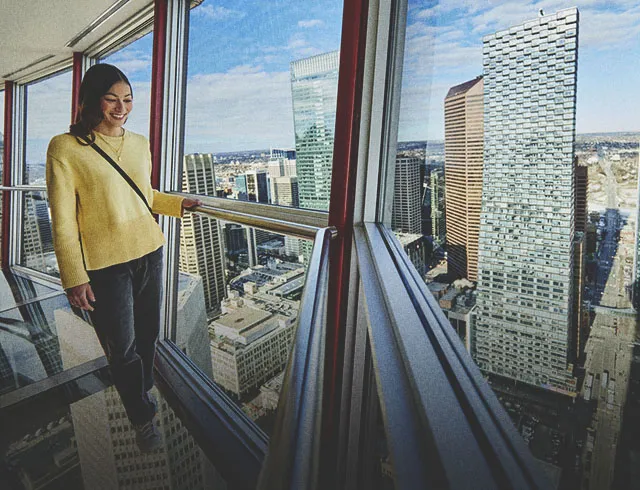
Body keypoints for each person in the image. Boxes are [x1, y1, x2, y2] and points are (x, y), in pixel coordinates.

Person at [46, 63, 200, 452]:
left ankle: (140, 390)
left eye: (128, 99)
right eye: (112, 98)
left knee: (148, 336)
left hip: (150, 249)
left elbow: (143, 194)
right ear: (92, 100)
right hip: (105, 264)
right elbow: (63, 220)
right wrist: (73, 276)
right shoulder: (66, 147)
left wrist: (177, 203)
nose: (121, 107)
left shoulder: (139, 143)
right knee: (123, 346)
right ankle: (141, 417)